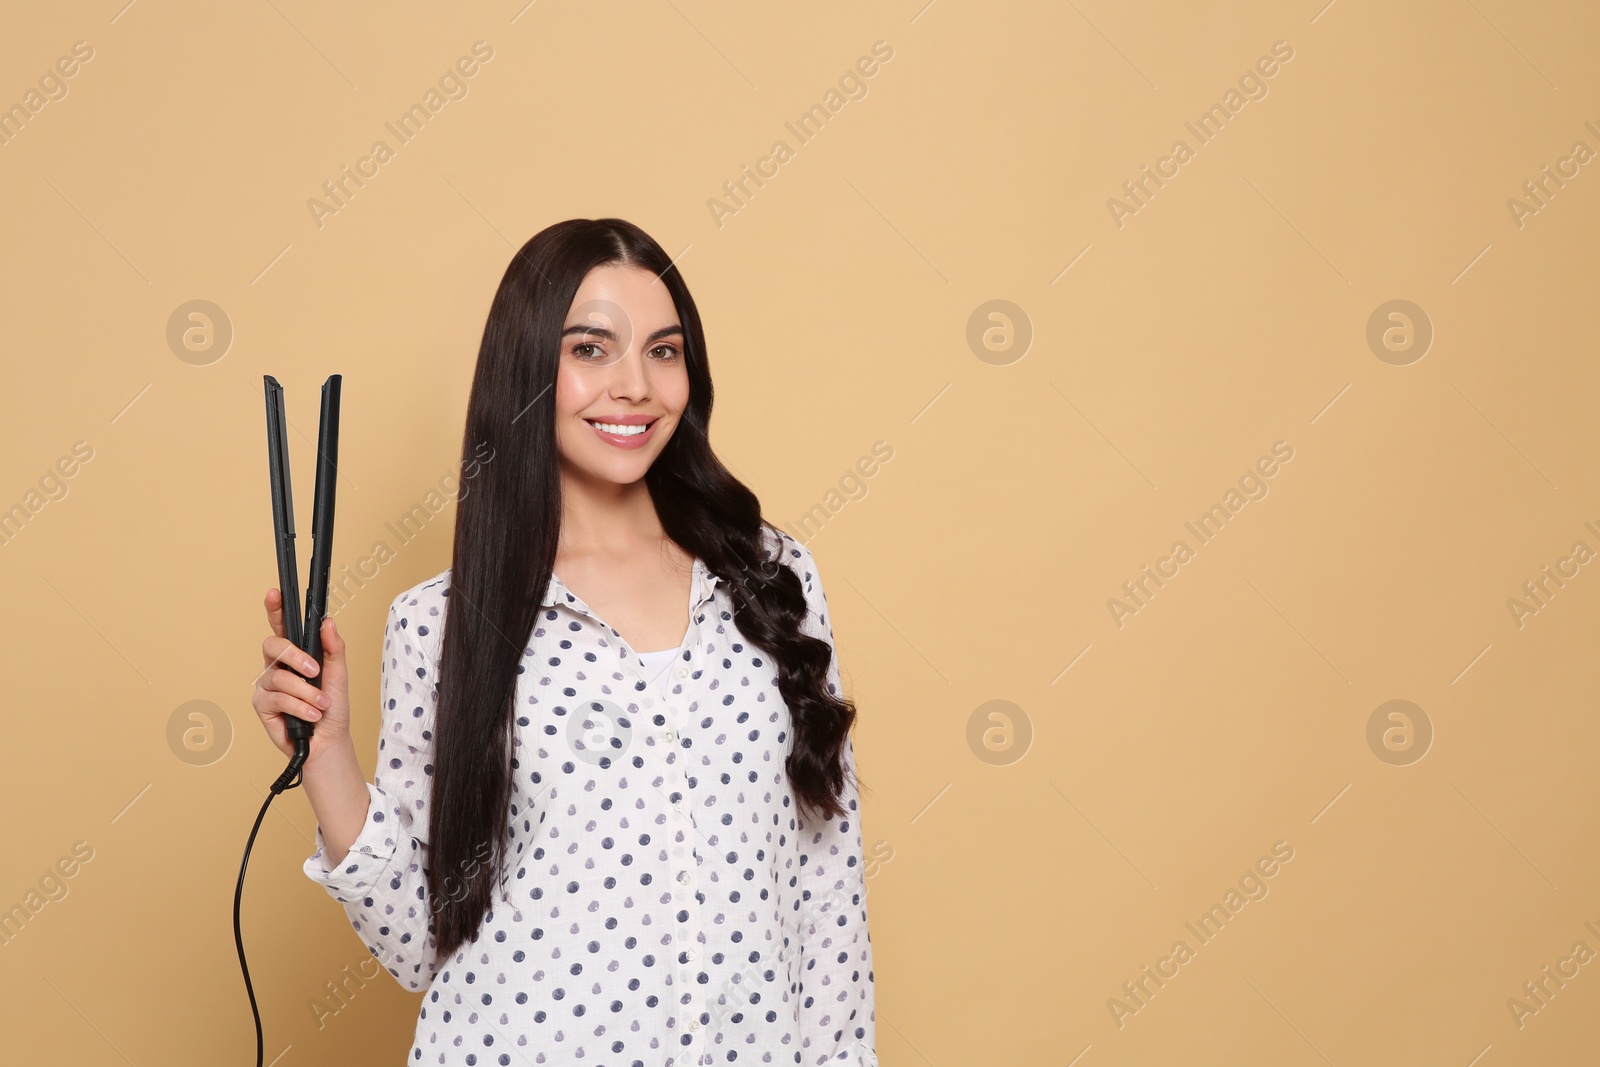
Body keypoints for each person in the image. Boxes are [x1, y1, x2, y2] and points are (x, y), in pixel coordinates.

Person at [250, 218, 877, 1066]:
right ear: (528, 370)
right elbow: (414, 942)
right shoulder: (441, 622)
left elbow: (828, 885)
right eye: (591, 349)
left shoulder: (773, 583)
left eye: (664, 351)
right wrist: (327, 755)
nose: (635, 386)